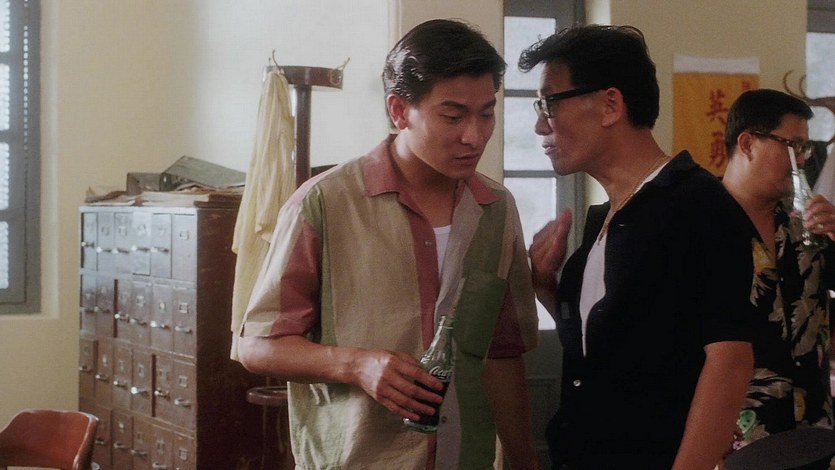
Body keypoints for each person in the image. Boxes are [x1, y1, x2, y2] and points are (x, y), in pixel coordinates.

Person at [236, 18, 540, 470]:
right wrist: (356, 365)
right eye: (453, 116)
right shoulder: (325, 203)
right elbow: (257, 346)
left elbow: (502, 354)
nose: (474, 136)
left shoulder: (497, 209)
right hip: (357, 459)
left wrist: (525, 460)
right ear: (399, 111)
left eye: (486, 113)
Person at [519, 25, 758, 469]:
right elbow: (605, 353)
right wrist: (544, 284)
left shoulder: (696, 203)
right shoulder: (604, 217)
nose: (539, 125)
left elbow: (730, 360)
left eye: (549, 103)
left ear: (610, 105)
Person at [721, 89, 835, 448]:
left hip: (816, 429)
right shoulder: (702, 225)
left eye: (805, 148)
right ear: (747, 144)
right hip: (739, 436)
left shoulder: (805, 224)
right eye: (793, 146)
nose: (802, 160)